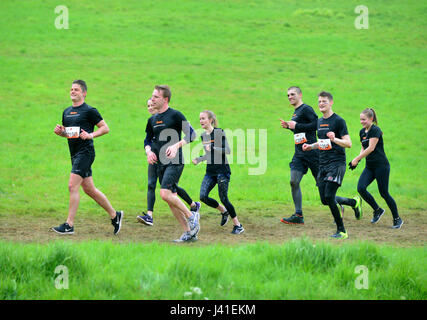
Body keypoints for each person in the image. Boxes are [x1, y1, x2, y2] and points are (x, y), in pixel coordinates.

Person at [52, 80, 123, 235]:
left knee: (72, 186)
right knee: (89, 189)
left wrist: (91, 135)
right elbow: (71, 134)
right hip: (74, 154)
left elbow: (105, 128)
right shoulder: (66, 112)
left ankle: (69, 224)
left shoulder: (90, 110)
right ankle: (114, 215)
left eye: (76, 89)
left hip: (86, 153)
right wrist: (61, 132)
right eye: (71, 89)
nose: (72, 91)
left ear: (84, 93)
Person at [302, 91, 361, 239]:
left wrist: (335, 139)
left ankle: (342, 231)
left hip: (337, 164)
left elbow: (348, 143)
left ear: (331, 103)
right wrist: (311, 146)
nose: (321, 104)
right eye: (319, 102)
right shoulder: (319, 122)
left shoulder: (339, 121)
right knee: (325, 199)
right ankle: (353, 202)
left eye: (324, 101)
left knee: (329, 195)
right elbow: (323, 142)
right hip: (323, 164)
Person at [144, 85, 200, 242]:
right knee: (170, 199)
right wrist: (148, 151)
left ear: (165, 99)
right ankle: (189, 232)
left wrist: (176, 146)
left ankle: (192, 215)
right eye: (152, 96)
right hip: (160, 163)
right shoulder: (152, 119)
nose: (152, 99)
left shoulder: (175, 115)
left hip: (175, 161)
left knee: (164, 194)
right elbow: (147, 139)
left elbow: (192, 134)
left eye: (156, 97)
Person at [350, 108, 403, 228]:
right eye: (360, 119)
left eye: (364, 119)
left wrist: (357, 159)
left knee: (384, 193)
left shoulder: (376, 130)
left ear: (371, 119)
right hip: (370, 167)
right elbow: (364, 147)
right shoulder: (362, 132)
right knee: (361, 188)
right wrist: (357, 160)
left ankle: (397, 218)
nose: (361, 121)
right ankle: (377, 210)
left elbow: (371, 148)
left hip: (381, 167)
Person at [192, 110, 244, 234]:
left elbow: (227, 150)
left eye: (203, 118)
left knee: (224, 198)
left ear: (210, 120)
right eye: (200, 119)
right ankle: (223, 210)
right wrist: (199, 159)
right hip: (210, 171)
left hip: (222, 171)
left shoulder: (219, 132)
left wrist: (213, 147)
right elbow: (208, 154)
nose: (201, 121)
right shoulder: (203, 136)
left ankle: (238, 225)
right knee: (203, 196)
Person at [279, 86, 319, 225]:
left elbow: (316, 125)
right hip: (299, 154)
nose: (290, 97)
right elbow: (300, 131)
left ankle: (350, 202)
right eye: (288, 95)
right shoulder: (295, 113)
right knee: (293, 181)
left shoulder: (306, 109)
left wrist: (296, 126)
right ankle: (298, 215)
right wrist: (290, 127)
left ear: (300, 95)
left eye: (292, 94)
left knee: (324, 191)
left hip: (313, 152)